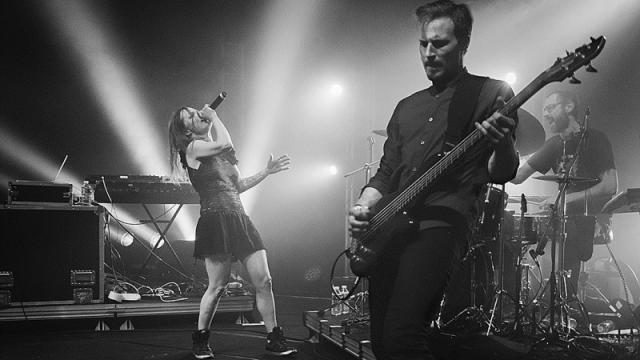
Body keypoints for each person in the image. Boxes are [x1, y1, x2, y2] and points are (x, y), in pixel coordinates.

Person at [347, 1, 519, 359]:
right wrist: (364, 206)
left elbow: (504, 172)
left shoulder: (491, 93)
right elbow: (385, 171)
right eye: (423, 44)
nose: (428, 53)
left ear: (464, 43)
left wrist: (502, 142)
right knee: (382, 343)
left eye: (439, 44)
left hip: (442, 222)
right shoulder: (406, 106)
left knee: (403, 337)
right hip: (390, 226)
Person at [168, 104, 297, 359]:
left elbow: (237, 186)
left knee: (265, 281)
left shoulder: (221, 153)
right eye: (192, 116)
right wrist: (214, 117)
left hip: (239, 218)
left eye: (197, 111)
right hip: (215, 222)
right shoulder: (192, 149)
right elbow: (225, 143)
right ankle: (201, 340)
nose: (199, 115)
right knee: (218, 286)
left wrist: (266, 172)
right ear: (186, 132)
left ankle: (274, 338)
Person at [511, 90, 617, 300]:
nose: (546, 115)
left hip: (591, 219)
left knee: (565, 245)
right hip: (562, 222)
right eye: (544, 111)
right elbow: (516, 176)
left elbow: (610, 186)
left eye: (551, 108)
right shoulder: (553, 145)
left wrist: (565, 201)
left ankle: (566, 305)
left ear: (568, 107)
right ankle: (556, 305)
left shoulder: (595, 139)